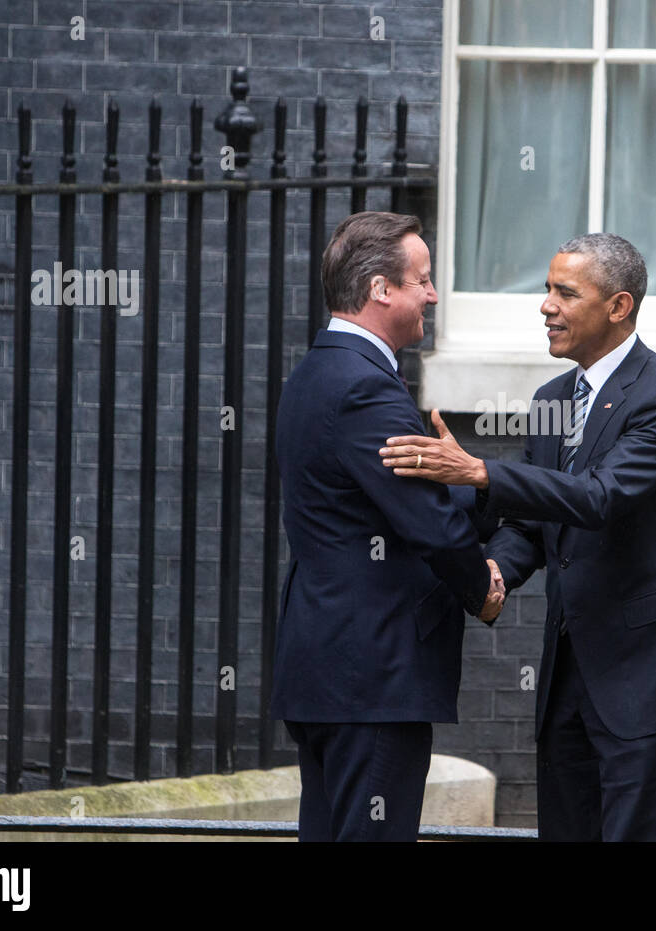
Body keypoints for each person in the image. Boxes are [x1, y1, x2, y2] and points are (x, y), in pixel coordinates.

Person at [379, 233, 656, 841]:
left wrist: (480, 472)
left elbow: (599, 498)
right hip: (568, 674)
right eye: (547, 289)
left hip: (644, 672)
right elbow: (532, 526)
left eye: (566, 292)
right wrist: (493, 574)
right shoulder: (552, 399)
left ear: (618, 307)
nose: (546, 305)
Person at [271, 211, 504, 842]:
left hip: (329, 669)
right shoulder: (366, 389)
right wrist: (480, 587)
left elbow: (391, 507)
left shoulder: (315, 374)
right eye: (422, 280)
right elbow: (427, 524)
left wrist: (469, 484)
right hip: (371, 675)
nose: (432, 294)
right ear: (380, 289)